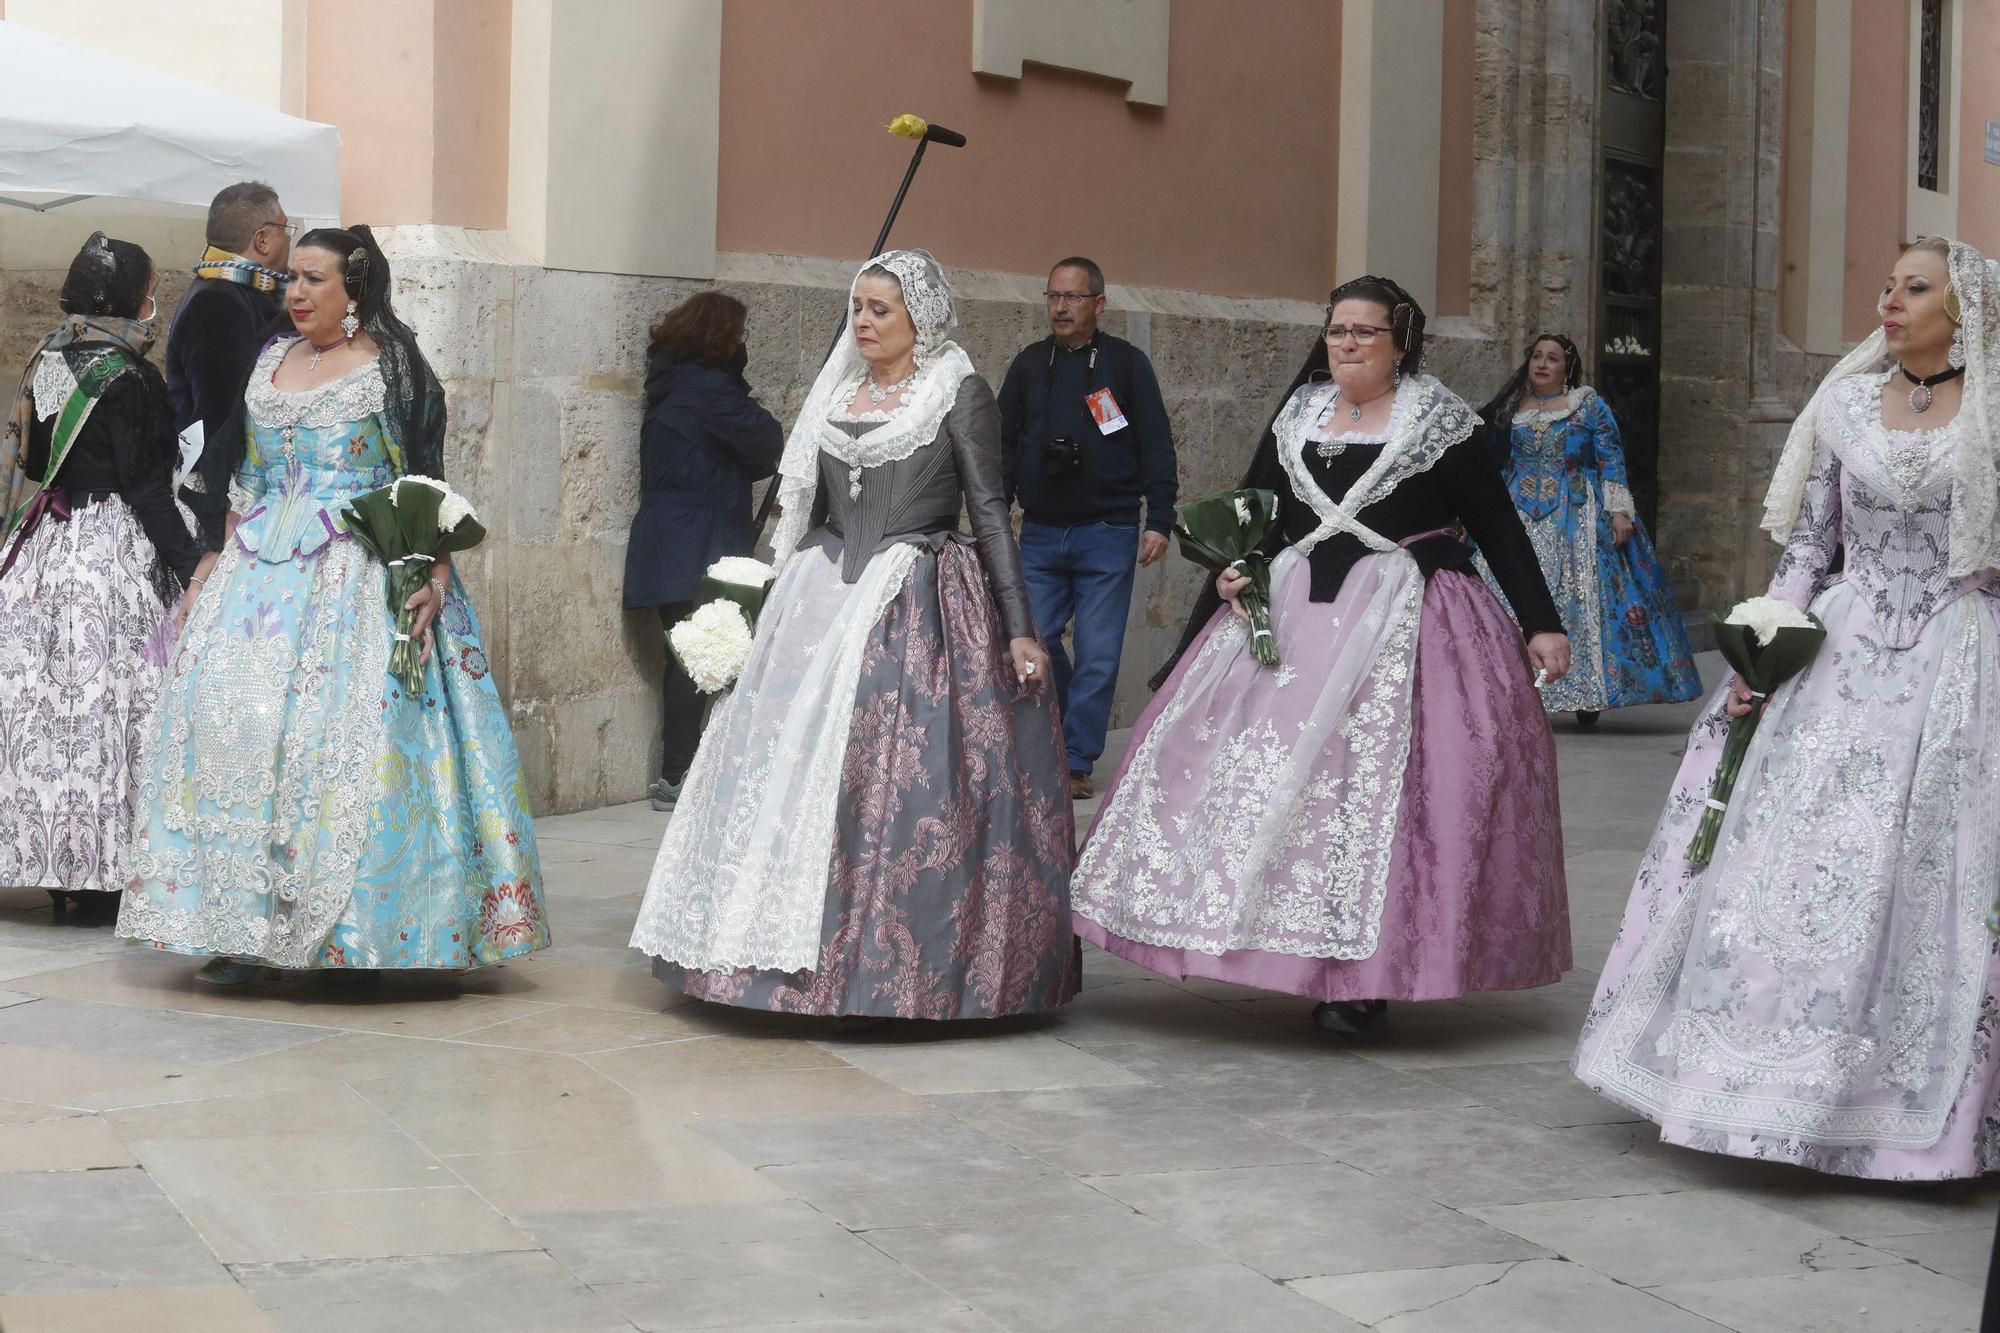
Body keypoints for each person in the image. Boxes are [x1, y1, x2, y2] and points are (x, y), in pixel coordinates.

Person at [1574, 237, 2000, 1179]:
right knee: (1800, 864)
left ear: (1963, 311)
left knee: (1935, 873)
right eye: (1886, 285)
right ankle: (1753, 1080)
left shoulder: (1999, 410)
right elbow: (1813, 546)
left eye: (1914, 288)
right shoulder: (1844, 404)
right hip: (1840, 661)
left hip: (1962, 657)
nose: (1889, 301)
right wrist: (1765, 641)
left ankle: (1917, 1109)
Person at [1070, 276, 1574, 1034]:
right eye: (1337, 330)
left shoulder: (1443, 424)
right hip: (1293, 615)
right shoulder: (1300, 413)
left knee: (1376, 792)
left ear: (1400, 343)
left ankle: (1356, 979)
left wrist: (1541, 621)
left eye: (1364, 333)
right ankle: (1230, 933)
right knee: (1249, 775)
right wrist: (1235, 567)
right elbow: (1258, 507)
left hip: (1409, 617)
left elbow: (1497, 524)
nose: (1345, 344)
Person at [630, 249, 1079, 1021]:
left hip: (916, 597)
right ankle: (750, 948)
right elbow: (800, 511)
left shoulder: (957, 392)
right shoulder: (838, 390)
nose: (864, 322)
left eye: (881, 309)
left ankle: (887, 969)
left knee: (898, 778)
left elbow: (989, 513)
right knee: (782, 759)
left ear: (920, 320)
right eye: (858, 308)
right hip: (820, 586)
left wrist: (1020, 628)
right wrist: (756, 604)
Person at [117, 225, 550, 983]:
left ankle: (356, 936)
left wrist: (435, 576)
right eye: (293, 279)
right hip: (258, 577)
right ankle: (240, 928)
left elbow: (422, 482)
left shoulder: (391, 371)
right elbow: (242, 476)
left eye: (314, 280)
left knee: (346, 748)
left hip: (358, 575)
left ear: (354, 291)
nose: (297, 292)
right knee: (239, 735)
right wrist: (210, 563)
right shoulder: (267, 363)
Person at [0, 234, 202, 922]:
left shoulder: (50, 359)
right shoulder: (132, 377)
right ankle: (108, 868)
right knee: (117, 702)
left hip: (53, 545)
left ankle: (58, 864)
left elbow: (33, 466)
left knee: (50, 709)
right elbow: (148, 490)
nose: (153, 303)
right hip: (115, 555)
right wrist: (194, 564)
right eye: (150, 290)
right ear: (129, 298)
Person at [999, 257, 1177, 799]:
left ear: (1099, 304)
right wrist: (995, 515)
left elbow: (1155, 441)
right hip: (1041, 532)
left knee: (1099, 654)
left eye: (1073, 297)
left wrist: (1160, 519)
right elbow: (1003, 446)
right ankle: (1054, 740)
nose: (1060, 307)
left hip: (1108, 529)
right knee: (1038, 642)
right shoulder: (1029, 365)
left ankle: (1075, 760)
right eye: (1053, 295)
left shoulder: (1125, 364)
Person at [1476, 334, 1702, 724]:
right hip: (1519, 511)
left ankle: (1586, 691)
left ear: (1568, 368)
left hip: (1577, 514)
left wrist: (1619, 511)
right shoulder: (1511, 408)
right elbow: (1498, 460)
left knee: (1582, 599)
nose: (1542, 364)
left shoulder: (1587, 406)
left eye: (1553, 358)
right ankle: (1509, 687)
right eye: (1537, 357)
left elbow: (1610, 458)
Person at [624, 291, 783, 811]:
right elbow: (766, 443)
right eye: (737, 336)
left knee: (692, 654)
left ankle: (686, 768)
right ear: (720, 339)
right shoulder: (710, 391)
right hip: (697, 535)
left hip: (671, 535)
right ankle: (678, 773)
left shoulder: (672, 383)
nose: (743, 345)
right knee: (699, 655)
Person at [165, 182, 294, 549]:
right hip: (223, 501)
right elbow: (221, 414)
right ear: (263, 239)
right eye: (286, 230)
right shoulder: (219, 303)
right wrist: (222, 516)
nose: (290, 243)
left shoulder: (228, 290)